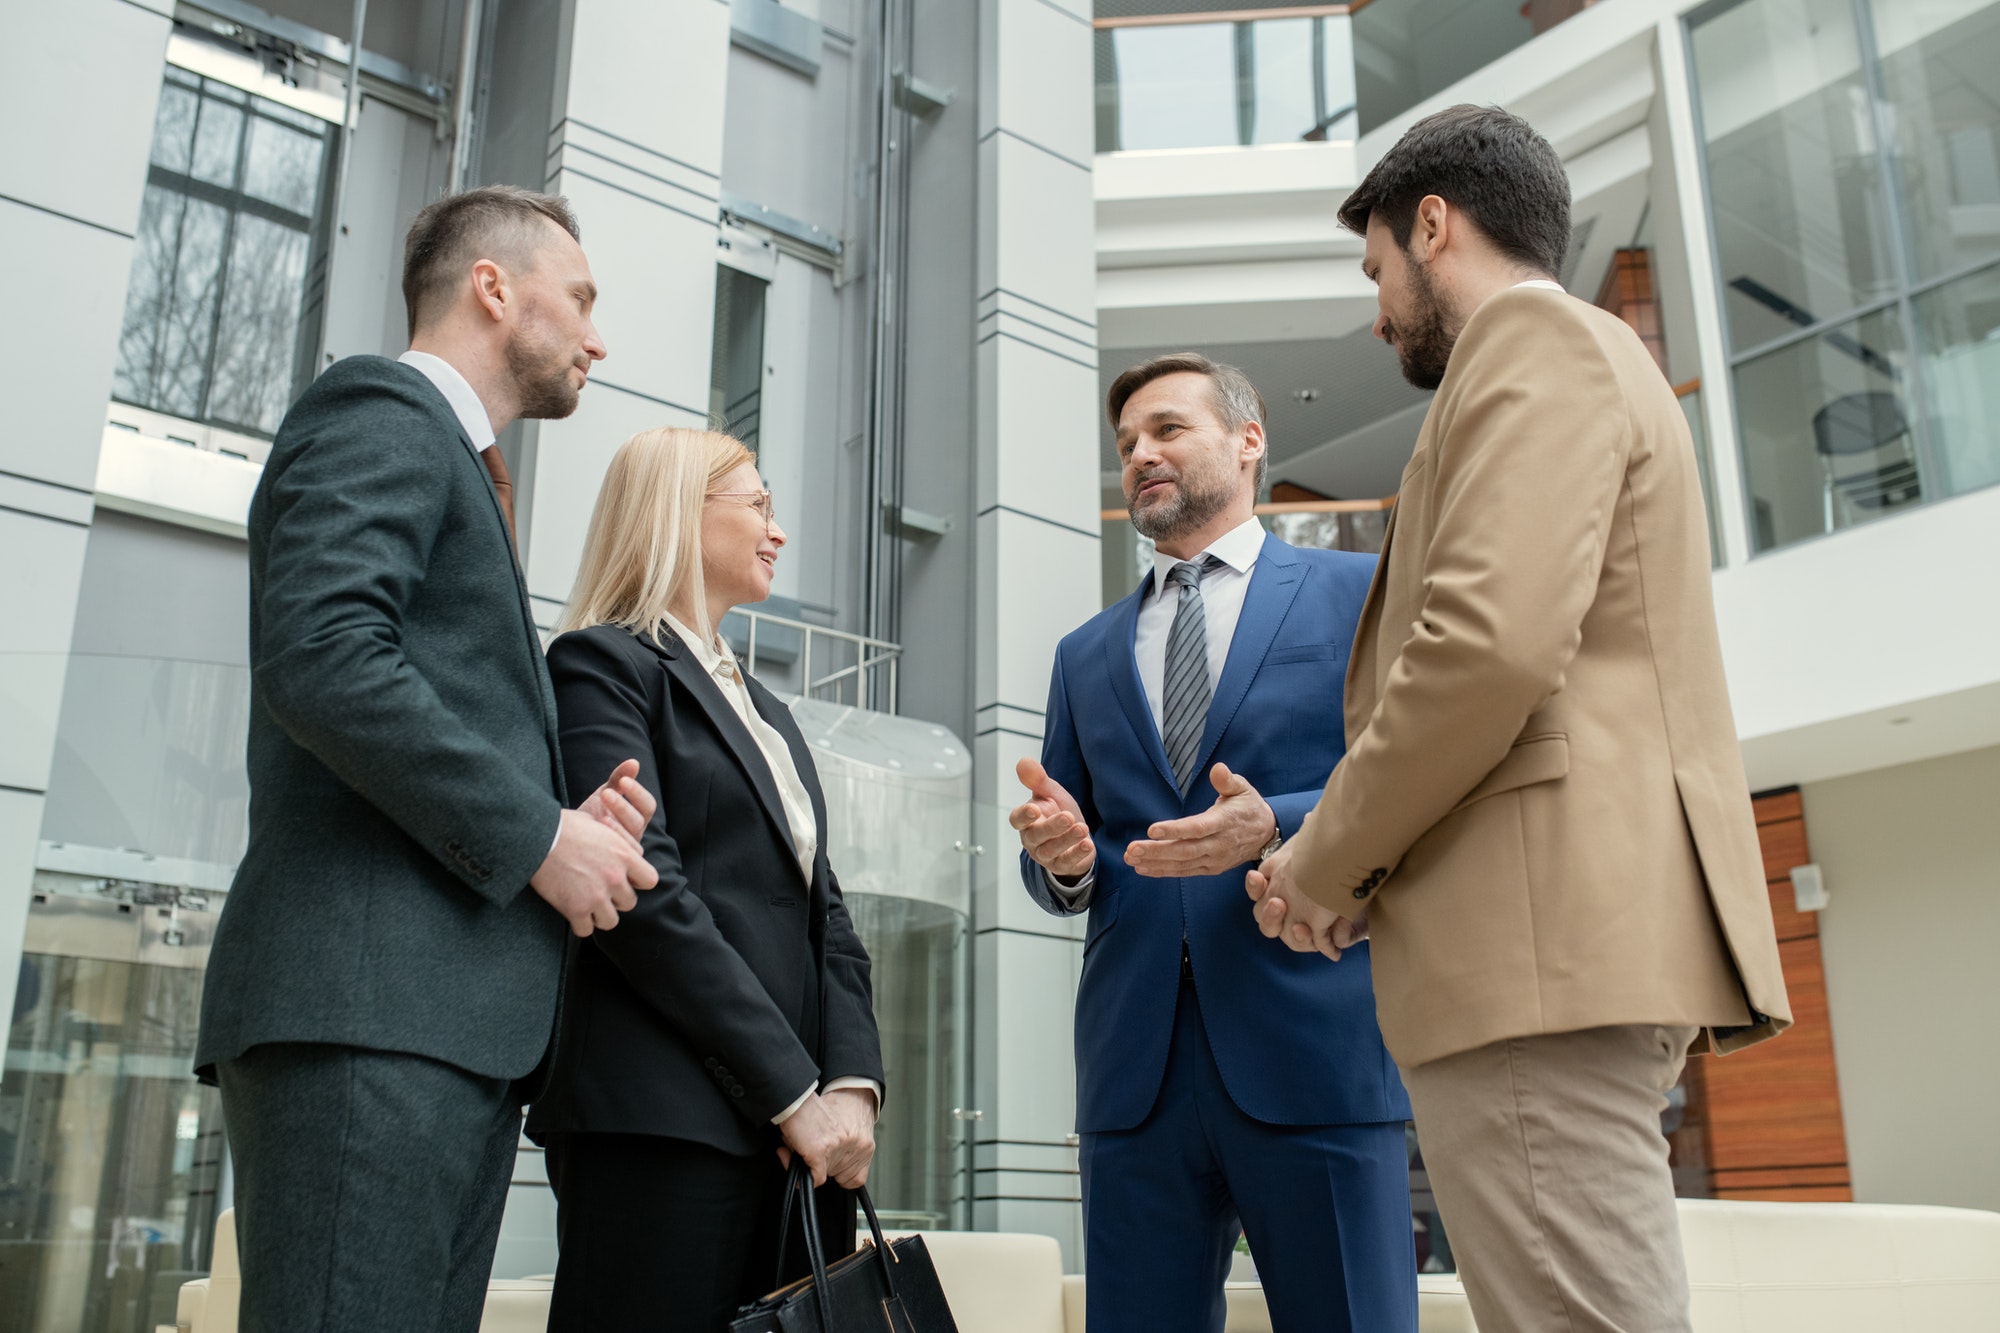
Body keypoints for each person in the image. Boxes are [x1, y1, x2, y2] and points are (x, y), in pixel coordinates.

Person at [1247, 105, 1793, 1333]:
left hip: (1534, 956)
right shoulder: (1576, 356)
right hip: (1548, 949)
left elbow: (1484, 648)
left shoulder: (1529, 342)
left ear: (1432, 224)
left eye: (1376, 271)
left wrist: (1324, 862)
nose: (1376, 313)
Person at [193, 185, 661, 1332]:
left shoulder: (452, 459)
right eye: (580, 298)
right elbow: (324, 657)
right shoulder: (380, 408)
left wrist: (565, 813)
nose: (598, 337)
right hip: (369, 1016)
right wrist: (539, 835)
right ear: (492, 288)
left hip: (433, 1028)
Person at [1012, 354, 1417, 1333]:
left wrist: (1276, 819)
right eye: (1125, 445)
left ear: (1247, 441)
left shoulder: (1358, 590)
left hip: (1316, 1044)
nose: (1139, 455)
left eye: (1166, 429)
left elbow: (1415, 773)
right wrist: (1063, 861)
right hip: (1135, 1077)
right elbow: (1069, 846)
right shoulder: (1083, 653)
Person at [527, 428, 886, 1333]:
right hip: (665, 1123)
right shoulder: (601, 666)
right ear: (679, 512)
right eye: (758, 505)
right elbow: (645, 896)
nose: (778, 531)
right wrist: (792, 1091)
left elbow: (827, 914)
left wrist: (852, 1083)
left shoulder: (768, 710)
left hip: (804, 1143)